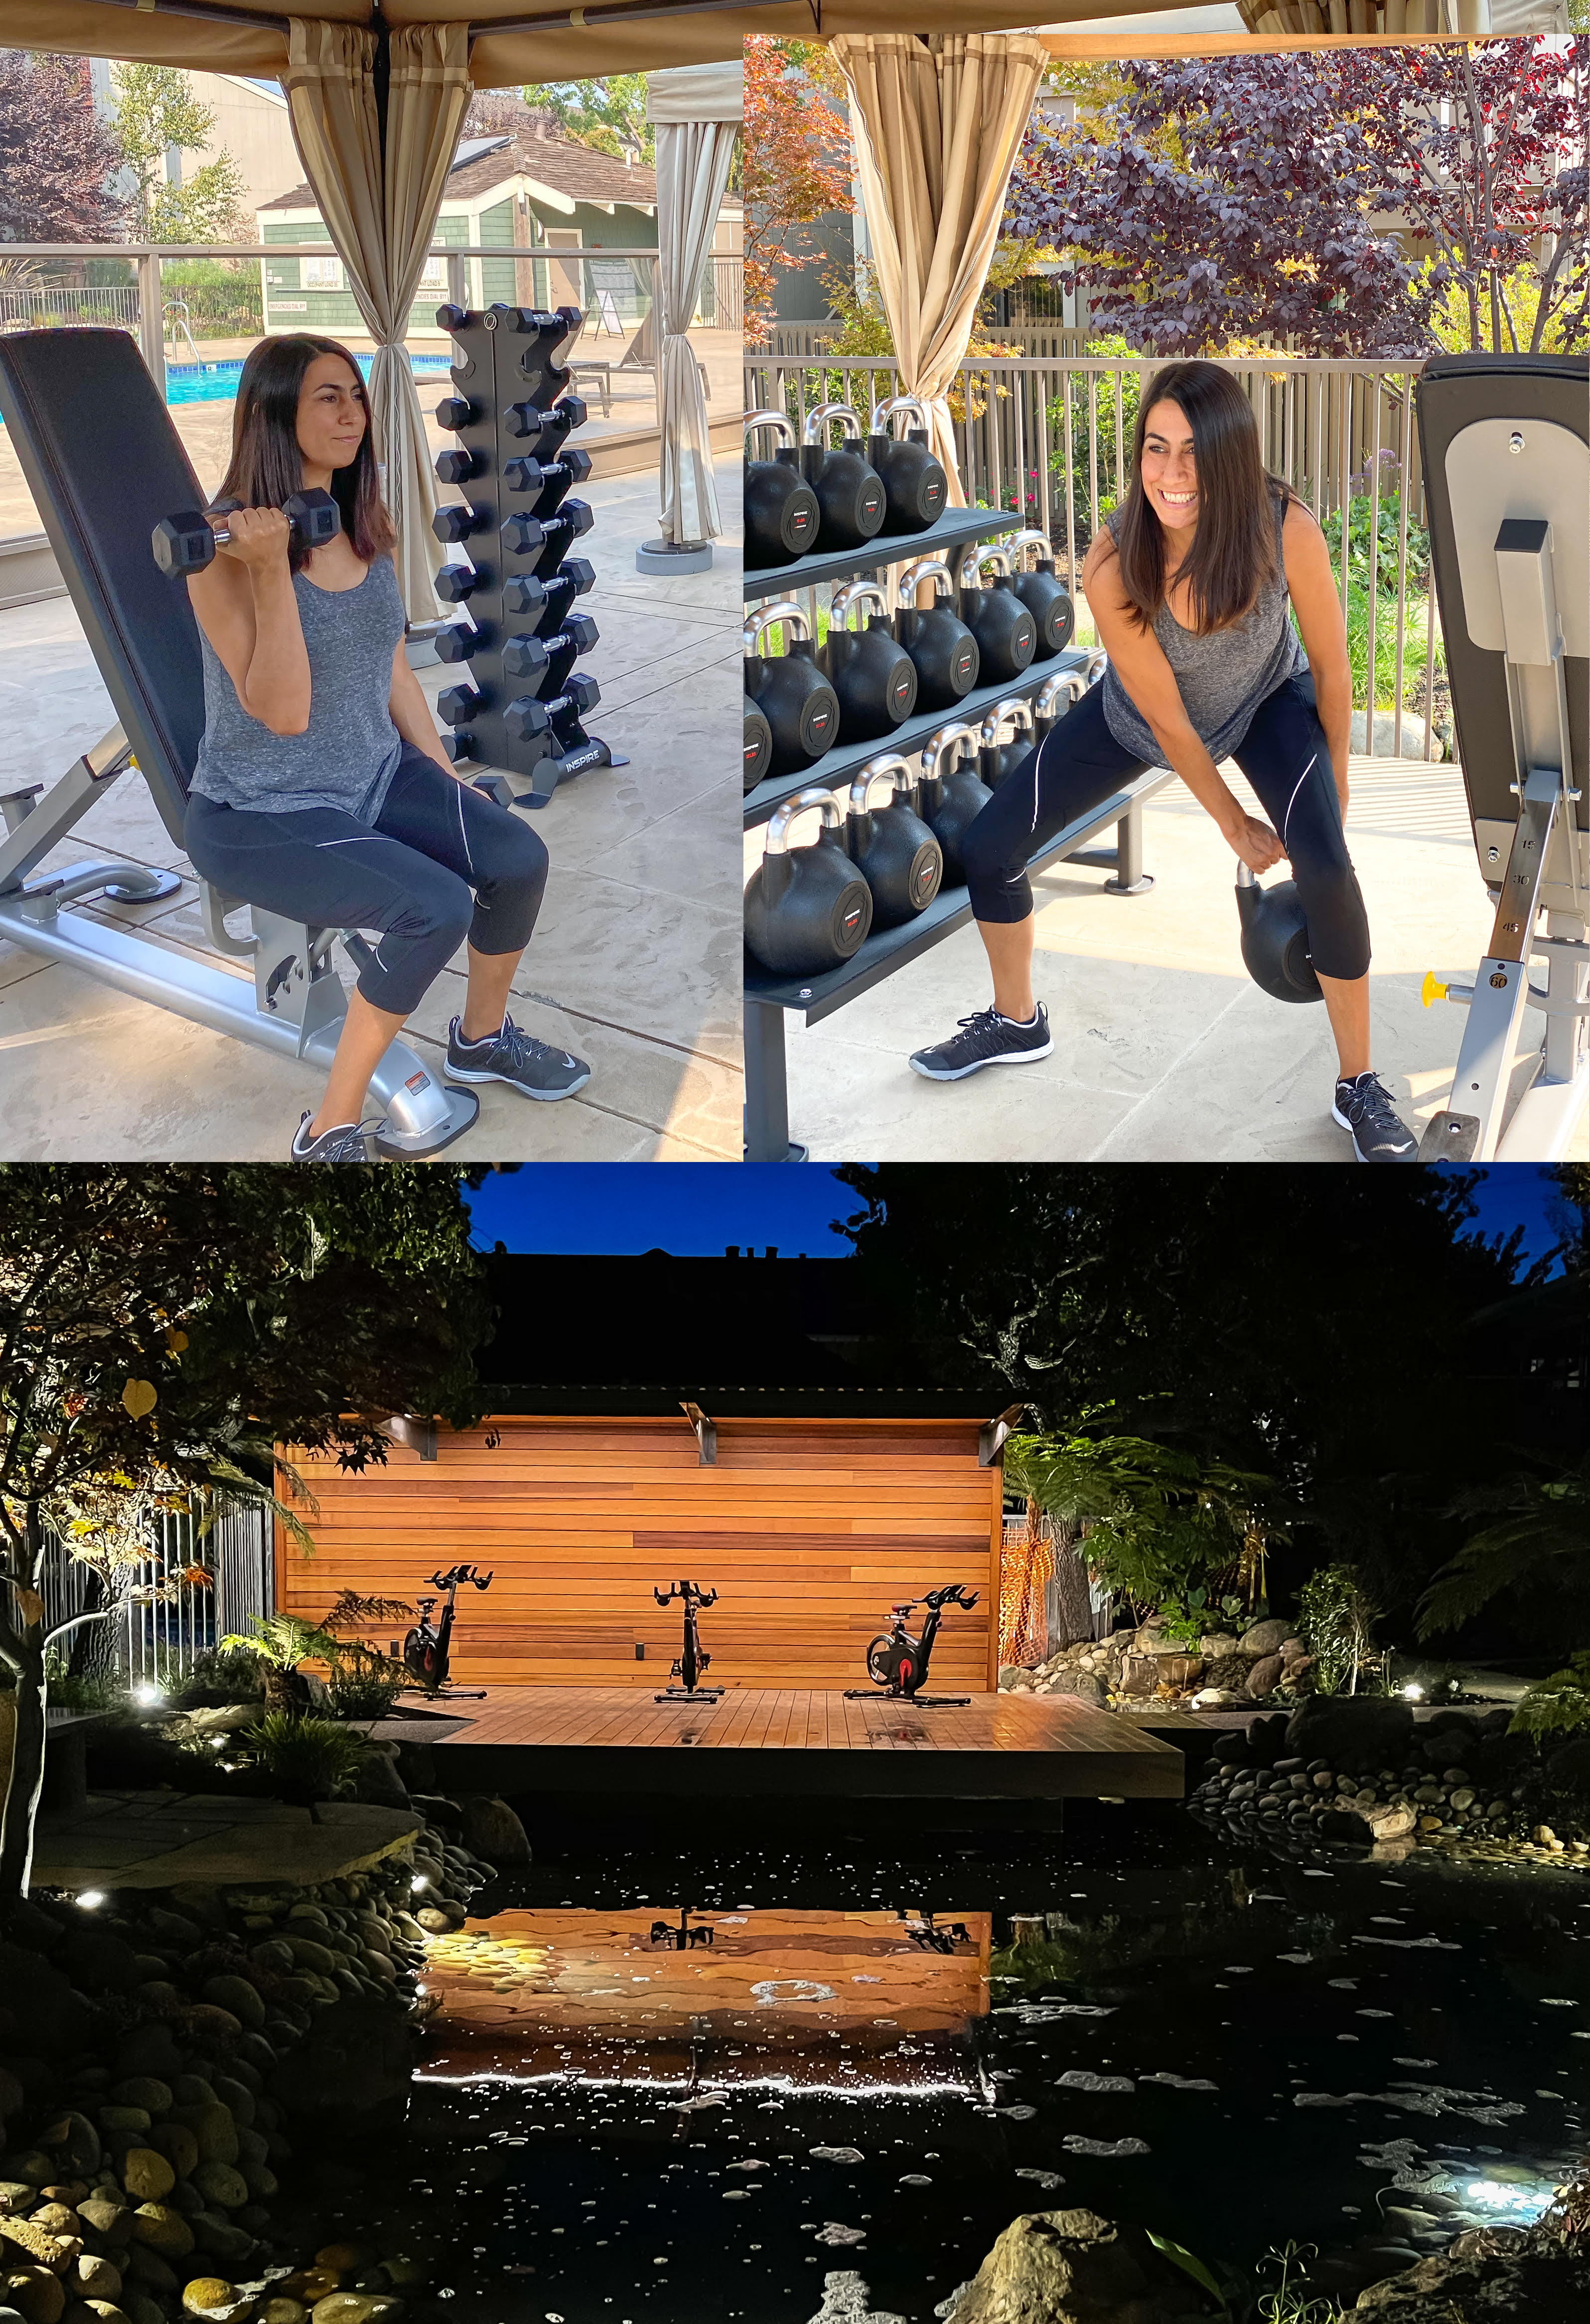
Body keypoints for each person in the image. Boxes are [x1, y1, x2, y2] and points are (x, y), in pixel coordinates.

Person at [909, 359, 1416, 1163]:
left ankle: (1358, 1083)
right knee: (990, 846)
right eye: (1156, 449)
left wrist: (1338, 799)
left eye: (1193, 454)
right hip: (1140, 723)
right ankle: (1017, 1021)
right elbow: (1172, 723)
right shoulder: (1113, 563)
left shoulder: (1286, 527)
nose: (1173, 476)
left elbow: (1333, 667)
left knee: (1326, 862)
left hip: (1267, 704)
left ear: (1231, 457)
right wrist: (1232, 826)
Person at [182, 332, 588, 1162]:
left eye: (356, 395)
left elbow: (390, 664)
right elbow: (284, 713)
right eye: (328, 396)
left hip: (372, 774)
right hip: (261, 810)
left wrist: (446, 780)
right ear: (272, 412)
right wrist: (269, 570)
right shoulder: (220, 551)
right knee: (431, 908)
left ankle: (479, 1038)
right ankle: (328, 1128)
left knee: (515, 857)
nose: (352, 413)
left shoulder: (364, 521)